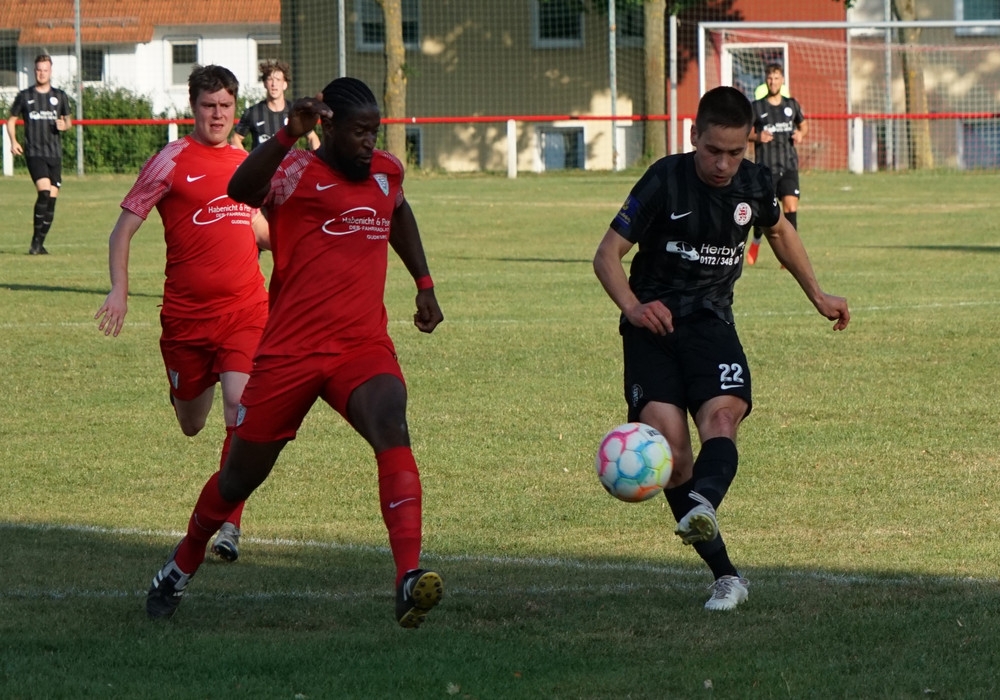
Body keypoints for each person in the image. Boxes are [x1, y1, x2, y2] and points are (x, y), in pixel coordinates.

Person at [145, 77, 445, 629]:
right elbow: (240, 189)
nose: (369, 143)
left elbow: (399, 211)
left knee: (392, 424)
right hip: (289, 354)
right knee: (237, 480)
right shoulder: (293, 171)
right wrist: (287, 133)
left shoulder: (386, 171)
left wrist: (424, 283)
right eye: (359, 132)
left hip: (361, 345)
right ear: (327, 127)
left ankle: (408, 576)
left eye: (374, 131)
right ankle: (182, 561)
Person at [593, 86, 849, 611]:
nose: (723, 164)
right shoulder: (664, 178)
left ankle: (703, 504)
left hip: (711, 322)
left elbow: (779, 233)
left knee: (723, 419)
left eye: (735, 152)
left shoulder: (754, 182)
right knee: (673, 454)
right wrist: (634, 308)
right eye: (713, 151)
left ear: (748, 143)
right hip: (652, 327)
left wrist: (818, 294)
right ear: (694, 136)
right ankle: (726, 576)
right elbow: (606, 255)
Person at [95, 65, 271, 563]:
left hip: (245, 311)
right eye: (208, 106)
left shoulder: (248, 163)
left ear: (235, 108)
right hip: (186, 321)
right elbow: (122, 230)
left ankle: (229, 524)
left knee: (239, 408)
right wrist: (120, 290)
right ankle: (183, 390)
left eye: (225, 106)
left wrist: (297, 247)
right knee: (192, 423)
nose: (217, 115)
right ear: (192, 107)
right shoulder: (169, 161)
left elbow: (258, 228)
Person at [6, 54, 72, 255]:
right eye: (38, 70)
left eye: (45, 70)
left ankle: (39, 243)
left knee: (51, 199)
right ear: (34, 71)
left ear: (50, 71)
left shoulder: (60, 96)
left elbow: (68, 121)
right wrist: (14, 141)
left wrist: (64, 125)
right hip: (34, 152)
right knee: (44, 191)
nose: (42, 73)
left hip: (54, 154)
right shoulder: (25, 96)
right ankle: (35, 244)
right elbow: (11, 120)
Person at [746, 63, 807, 266]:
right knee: (764, 212)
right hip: (766, 167)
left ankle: (789, 256)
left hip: (788, 164)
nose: (773, 82)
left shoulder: (791, 105)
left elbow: (803, 126)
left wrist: (800, 134)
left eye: (777, 78)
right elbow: (745, 132)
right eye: (770, 78)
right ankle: (756, 240)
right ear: (766, 80)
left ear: (782, 80)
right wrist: (757, 136)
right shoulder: (757, 106)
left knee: (790, 207)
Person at [230, 60, 320, 151]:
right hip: (263, 160)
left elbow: (312, 137)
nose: (274, 84)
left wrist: (316, 158)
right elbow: (235, 139)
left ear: (285, 85)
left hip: (288, 160)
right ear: (265, 83)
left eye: (278, 80)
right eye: (270, 79)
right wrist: (248, 158)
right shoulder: (253, 112)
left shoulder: (295, 111)